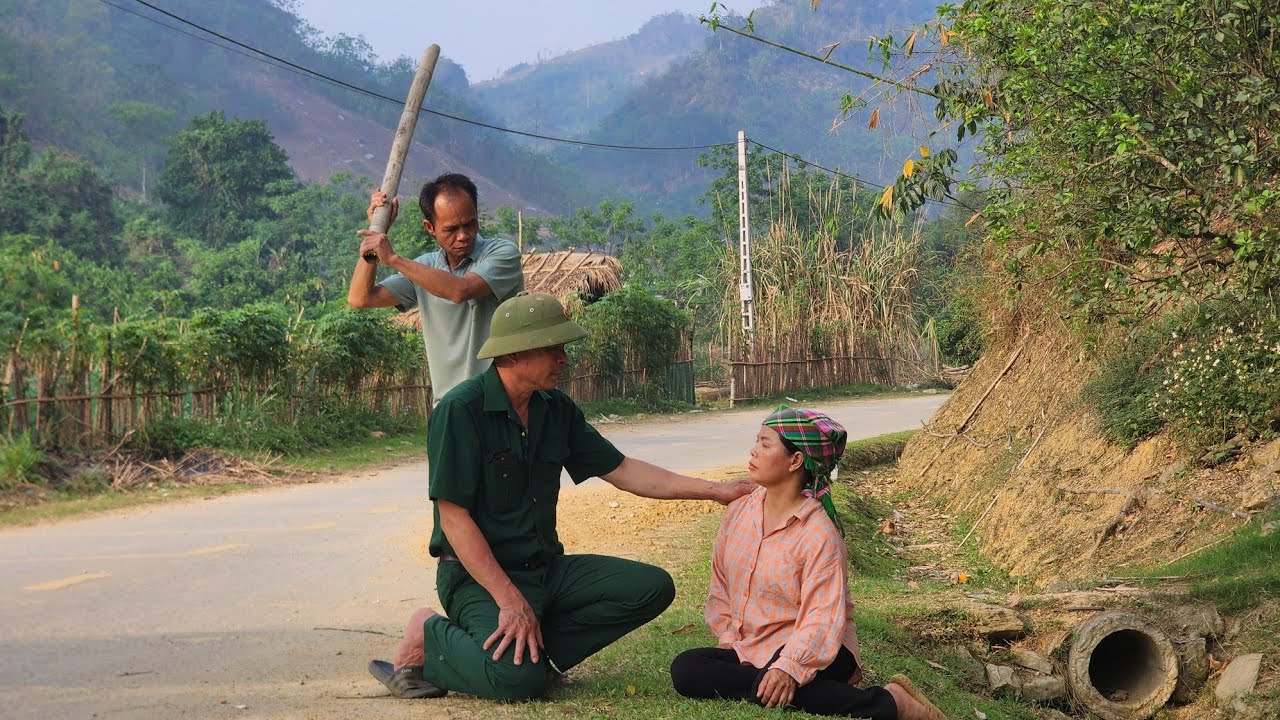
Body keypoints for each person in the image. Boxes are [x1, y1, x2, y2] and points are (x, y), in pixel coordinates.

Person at [367, 291, 755, 702]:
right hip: (476, 578)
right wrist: (509, 599)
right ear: (516, 354)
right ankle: (428, 637)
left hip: (544, 569)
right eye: (553, 349)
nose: (564, 359)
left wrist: (718, 492)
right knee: (517, 683)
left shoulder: (555, 409)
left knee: (650, 587)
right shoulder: (461, 410)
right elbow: (454, 519)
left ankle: (534, 650)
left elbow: (622, 470)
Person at [669, 406, 946, 720]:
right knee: (686, 669)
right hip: (756, 645)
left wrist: (789, 667)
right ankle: (776, 684)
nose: (753, 450)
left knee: (774, 682)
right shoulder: (738, 512)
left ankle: (890, 705)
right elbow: (721, 585)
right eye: (756, 441)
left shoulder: (819, 533)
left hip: (820, 646)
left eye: (765, 443)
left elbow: (822, 617)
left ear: (795, 460)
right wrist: (732, 646)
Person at [348, 173, 524, 405]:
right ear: (430, 227)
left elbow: (460, 290)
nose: (463, 236)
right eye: (451, 229)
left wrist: (393, 259)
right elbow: (360, 298)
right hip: (448, 408)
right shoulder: (424, 269)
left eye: (470, 224)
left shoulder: (503, 253)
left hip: (500, 404)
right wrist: (376, 233)